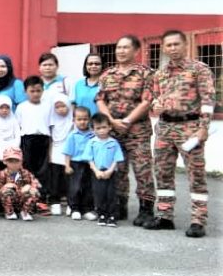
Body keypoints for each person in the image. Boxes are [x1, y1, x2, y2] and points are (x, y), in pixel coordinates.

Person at [144, 29, 215, 238]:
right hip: (165, 129)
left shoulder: (199, 69)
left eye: (176, 44)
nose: (173, 48)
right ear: (164, 48)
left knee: (196, 175)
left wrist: (204, 127)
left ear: (185, 45)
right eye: (169, 45)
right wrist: (155, 107)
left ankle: (198, 220)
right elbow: (155, 98)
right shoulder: (160, 74)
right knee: (162, 173)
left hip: (190, 128)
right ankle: (165, 216)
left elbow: (208, 99)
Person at [95, 34, 155, 224]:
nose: (121, 51)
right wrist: (112, 121)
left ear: (136, 51)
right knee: (118, 169)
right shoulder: (107, 75)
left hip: (138, 131)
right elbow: (100, 100)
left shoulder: (145, 73)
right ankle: (119, 206)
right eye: (119, 47)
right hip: (113, 131)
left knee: (142, 169)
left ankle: (146, 209)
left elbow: (147, 101)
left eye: (125, 47)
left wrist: (127, 121)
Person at [16, 76, 51, 209]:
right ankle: (27, 199)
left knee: (43, 171)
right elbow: (18, 126)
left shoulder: (48, 106)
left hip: (43, 139)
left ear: (43, 91)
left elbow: (51, 125)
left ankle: (41, 199)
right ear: (25, 91)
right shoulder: (21, 107)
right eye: (32, 91)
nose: (35, 94)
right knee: (27, 170)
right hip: (27, 140)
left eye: (38, 91)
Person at [84, 114, 126, 228]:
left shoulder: (113, 143)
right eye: (98, 128)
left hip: (111, 172)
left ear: (110, 127)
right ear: (93, 129)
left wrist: (110, 170)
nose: (101, 131)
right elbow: (89, 159)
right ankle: (102, 214)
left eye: (104, 127)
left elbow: (117, 158)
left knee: (111, 194)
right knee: (99, 194)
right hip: (97, 172)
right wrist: (96, 171)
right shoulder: (92, 142)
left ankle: (112, 216)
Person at [62, 106, 96, 221]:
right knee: (75, 187)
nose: (82, 122)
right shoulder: (72, 135)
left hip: (89, 164)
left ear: (89, 119)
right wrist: (67, 165)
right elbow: (68, 152)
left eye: (85, 119)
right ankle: (74, 209)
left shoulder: (93, 135)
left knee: (88, 187)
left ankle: (86, 209)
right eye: (79, 119)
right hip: (75, 164)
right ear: (74, 120)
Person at [0, 147, 40, 221]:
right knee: (7, 191)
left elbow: (36, 183)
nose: (14, 164)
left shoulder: (26, 173)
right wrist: (4, 187)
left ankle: (25, 212)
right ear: (5, 161)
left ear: (21, 161)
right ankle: (9, 212)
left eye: (17, 161)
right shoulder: (1, 174)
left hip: (21, 201)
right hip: (5, 203)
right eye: (10, 161)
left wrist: (29, 186)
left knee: (34, 191)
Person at [47, 92, 74, 216]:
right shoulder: (52, 121)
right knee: (55, 178)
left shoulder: (72, 121)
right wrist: (49, 154)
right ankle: (55, 202)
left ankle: (71, 202)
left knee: (69, 179)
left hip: (69, 153)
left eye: (63, 106)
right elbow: (51, 139)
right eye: (57, 107)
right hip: (55, 152)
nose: (60, 109)